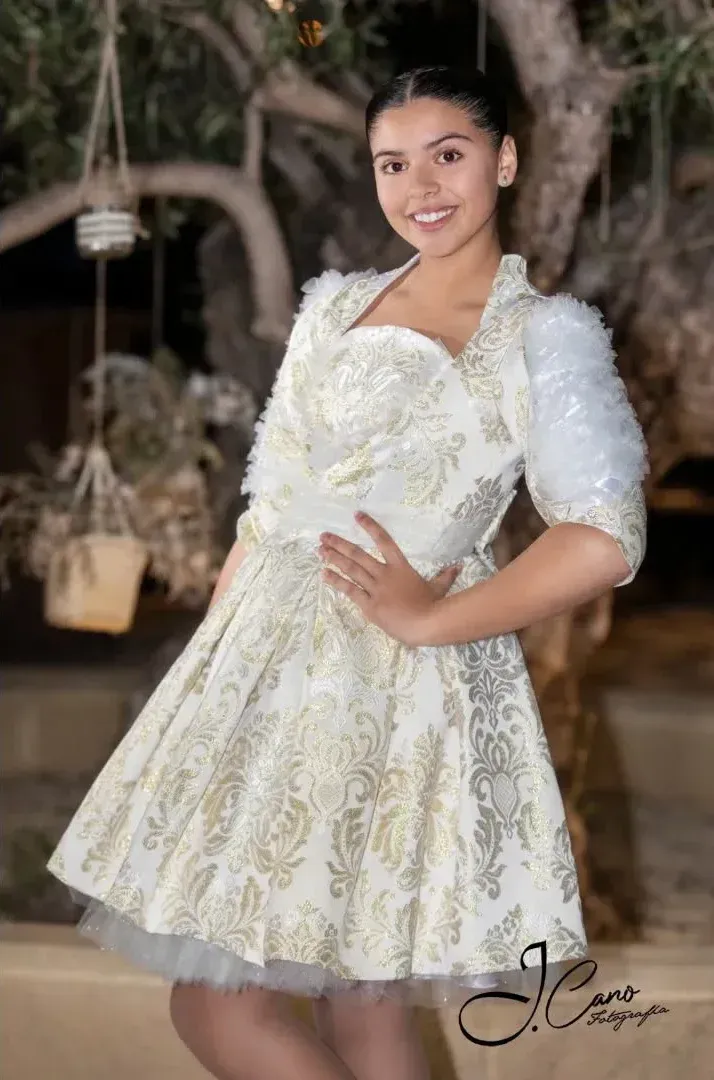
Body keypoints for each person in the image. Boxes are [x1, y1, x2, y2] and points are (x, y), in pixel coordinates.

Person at [46, 65, 648, 1080]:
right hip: (268, 680)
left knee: (223, 1011)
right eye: (392, 163)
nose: (421, 184)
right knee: (362, 1013)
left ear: (503, 161)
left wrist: (425, 619)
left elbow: (605, 533)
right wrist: (213, 682)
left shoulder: (543, 336)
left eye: (449, 155)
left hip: (396, 696)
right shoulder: (334, 310)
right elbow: (269, 501)